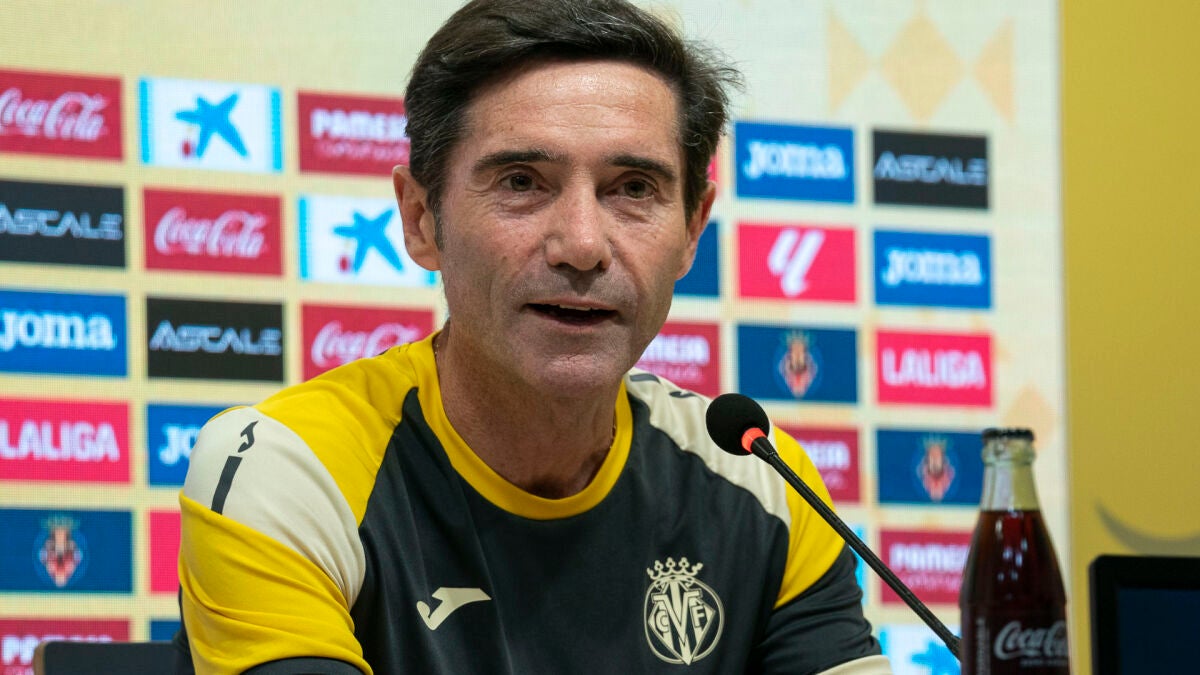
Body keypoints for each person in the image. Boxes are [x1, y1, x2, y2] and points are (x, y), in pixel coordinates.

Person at [174, 0, 890, 672]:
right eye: (521, 181)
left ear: (692, 230)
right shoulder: (294, 474)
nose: (582, 245)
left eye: (633, 188)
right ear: (421, 219)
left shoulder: (762, 484)